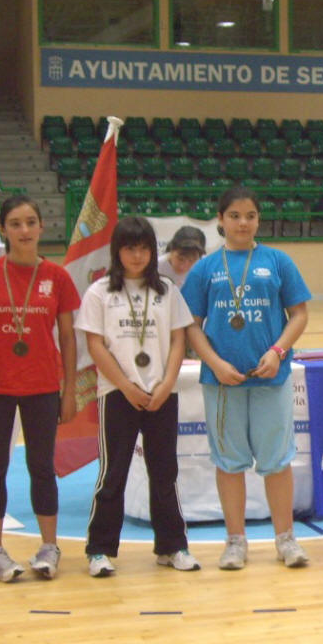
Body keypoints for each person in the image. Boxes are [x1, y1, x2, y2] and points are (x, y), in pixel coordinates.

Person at [182, 186, 311, 569]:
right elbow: (190, 324)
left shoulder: (277, 261)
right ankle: (235, 541)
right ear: (220, 220)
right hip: (222, 381)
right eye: (234, 215)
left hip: (271, 377)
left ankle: (286, 539)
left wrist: (277, 352)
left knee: (276, 461)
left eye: (250, 215)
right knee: (229, 462)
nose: (243, 222)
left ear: (259, 219)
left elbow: (299, 314)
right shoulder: (205, 268)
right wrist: (215, 363)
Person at [76, 216, 199, 576]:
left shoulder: (167, 291)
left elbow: (179, 340)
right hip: (117, 393)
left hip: (162, 393)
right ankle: (99, 550)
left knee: (164, 471)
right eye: (130, 248)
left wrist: (165, 384)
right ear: (118, 251)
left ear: (152, 251)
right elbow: (94, 344)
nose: (137, 255)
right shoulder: (100, 292)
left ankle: (172, 546)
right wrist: (127, 385)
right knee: (112, 473)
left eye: (144, 247)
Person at [0, 194, 79, 582]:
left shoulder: (58, 277)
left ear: (41, 227)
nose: (24, 230)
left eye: (30, 222)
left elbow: (68, 339)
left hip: (42, 385)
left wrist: (68, 390)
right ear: (3, 229)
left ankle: (49, 546)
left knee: (41, 468)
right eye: (15, 223)